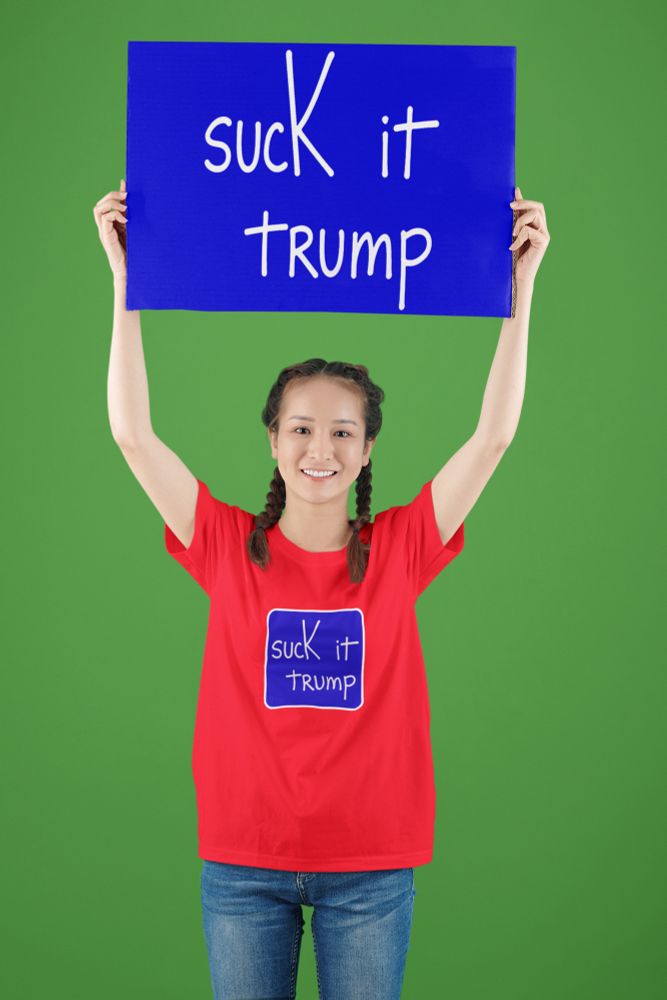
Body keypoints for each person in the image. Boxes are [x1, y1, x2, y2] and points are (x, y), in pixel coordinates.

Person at [94, 178, 549, 1000]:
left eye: (343, 431)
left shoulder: (402, 548)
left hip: (370, 871)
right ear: (273, 441)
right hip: (242, 866)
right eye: (301, 427)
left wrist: (521, 287)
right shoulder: (227, 545)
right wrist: (128, 281)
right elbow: (132, 434)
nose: (320, 447)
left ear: (367, 450)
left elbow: (493, 438)